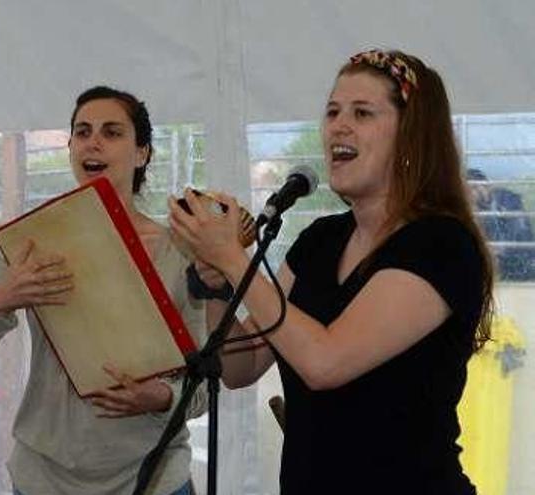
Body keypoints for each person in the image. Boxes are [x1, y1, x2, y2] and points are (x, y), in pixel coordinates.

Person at [169, 50, 495, 494]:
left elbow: (325, 362)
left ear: (411, 137)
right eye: (332, 111)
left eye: (362, 113)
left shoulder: (440, 245)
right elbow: (239, 365)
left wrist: (231, 257)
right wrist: (217, 286)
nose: (338, 126)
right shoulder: (320, 241)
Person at [0, 86, 207, 495]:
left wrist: (160, 397)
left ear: (142, 153)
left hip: (154, 479)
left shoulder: (181, 251)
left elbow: (208, 385)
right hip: (43, 480)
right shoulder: (29, 243)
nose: (93, 142)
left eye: (112, 132)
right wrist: (2, 300)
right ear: (70, 148)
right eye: (82, 132)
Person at [467, 168, 535, 281]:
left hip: (519, 257)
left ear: (487, 186)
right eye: (469, 190)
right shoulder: (474, 207)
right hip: (497, 258)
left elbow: (520, 233)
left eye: (474, 188)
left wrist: (500, 250)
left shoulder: (507, 201)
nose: (472, 193)